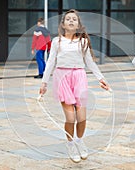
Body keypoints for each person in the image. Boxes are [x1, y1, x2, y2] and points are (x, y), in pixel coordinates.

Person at [39, 9, 110, 163]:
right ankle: (70, 143)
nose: (71, 21)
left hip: (79, 77)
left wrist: (101, 78)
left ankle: (79, 141)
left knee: (82, 117)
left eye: (74, 19)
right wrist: (44, 83)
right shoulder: (57, 41)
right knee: (70, 117)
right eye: (68, 19)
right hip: (62, 78)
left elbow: (89, 62)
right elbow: (51, 62)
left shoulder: (83, 41)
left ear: (78, 25)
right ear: (63, 24)